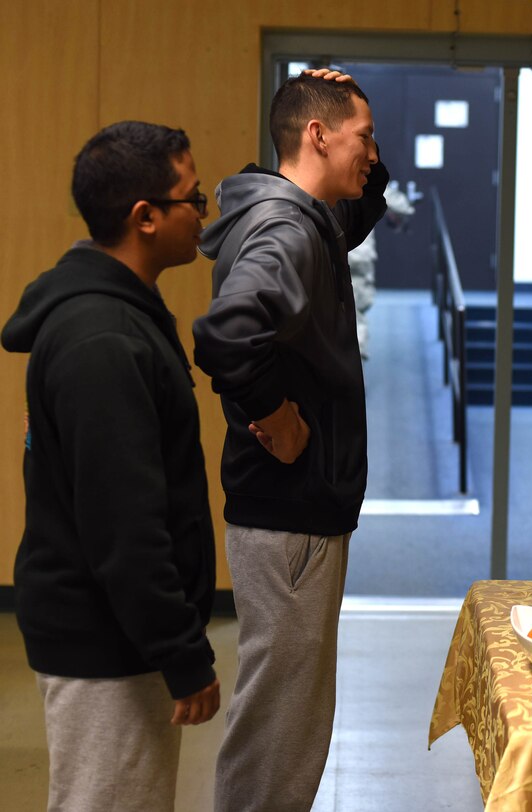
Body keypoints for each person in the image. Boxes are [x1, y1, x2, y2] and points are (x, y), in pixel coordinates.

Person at [1, 121, 220, 811]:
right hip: (106, 638)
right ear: (145, 217)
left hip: (118, 630)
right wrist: (182, 654)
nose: (204, 214)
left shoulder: (123, 314)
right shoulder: (102, 339)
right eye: (195, 199)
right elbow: (124, 527)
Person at [192, 69, 387, 811]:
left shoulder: (296, 211)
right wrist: (272, 415)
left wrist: (359, 127)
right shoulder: (287, 228)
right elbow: (228, 335)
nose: (372, 152)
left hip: (290, 514)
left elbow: (361, 204)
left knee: (287, 713)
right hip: (290, 512)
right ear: (317, 135)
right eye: (363, 135)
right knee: (282, 723)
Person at [347, 179, 415, 359]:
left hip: (337, 249)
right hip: (359, 252)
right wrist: (407, 206)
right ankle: (356, 356)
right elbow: (397, 203)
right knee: (357, 306)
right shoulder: (364, 177)